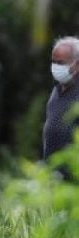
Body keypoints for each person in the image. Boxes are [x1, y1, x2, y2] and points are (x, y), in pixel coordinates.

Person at [43, 36, 79, 179]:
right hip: (52, 176)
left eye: (61, 63)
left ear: (76, 65)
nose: (56, 67)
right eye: (54, 62)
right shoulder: (56, 91)